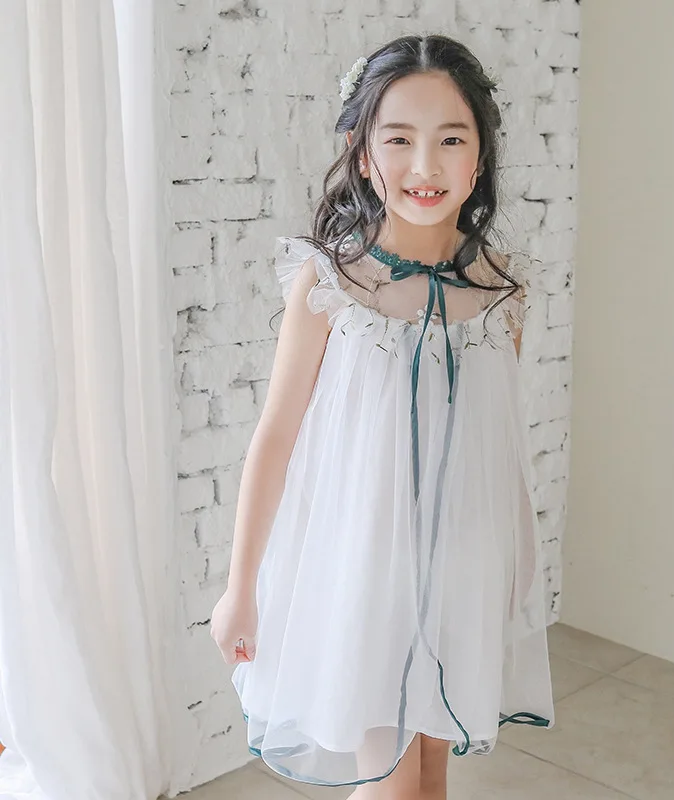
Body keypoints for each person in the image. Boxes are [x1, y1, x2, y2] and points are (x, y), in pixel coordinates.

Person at [210, 33, 555, 799]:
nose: (425, 166)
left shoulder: (502, 290)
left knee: (430, 775)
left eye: (451, 140)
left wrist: (517, 562)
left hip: (460, 568)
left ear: (480, 158)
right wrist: (241, 587)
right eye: (398, 139)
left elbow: (498, 443)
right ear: (362, 154)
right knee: (392, 784)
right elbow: (276, 438)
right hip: (363, 575)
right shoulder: (332, 283)